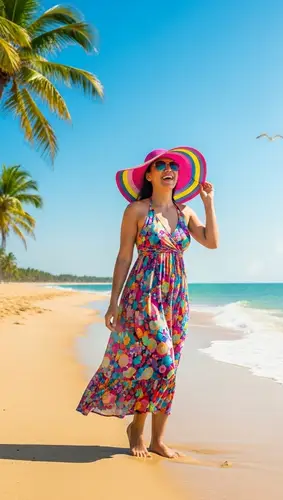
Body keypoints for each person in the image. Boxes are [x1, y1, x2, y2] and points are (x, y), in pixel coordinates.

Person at [77, 147, 218, 458]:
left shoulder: (186, 212)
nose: (169, 169)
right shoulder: (137, 211)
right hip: (145, 294)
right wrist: (113, 302)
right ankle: (136, 431)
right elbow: (124, 256)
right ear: (150, 175)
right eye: (161, 165)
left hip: (177, 297)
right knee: (161, 361)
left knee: (170, 366)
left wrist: (208, 205)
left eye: (173, 165)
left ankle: (157, 440)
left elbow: (211, 242)